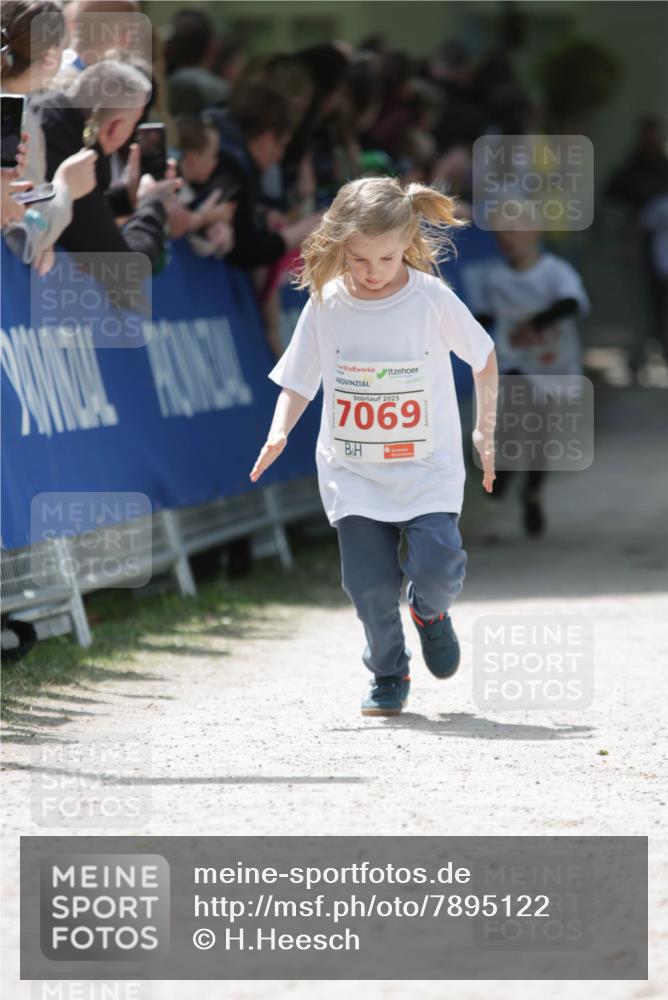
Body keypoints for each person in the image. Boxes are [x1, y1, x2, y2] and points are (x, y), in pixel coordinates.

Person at [249, 177, 498, 717]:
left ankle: (430, 613)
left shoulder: (430, 298)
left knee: (438, 567)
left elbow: (483, 357)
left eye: (386, 258)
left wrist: (485, 429)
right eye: (359, 259)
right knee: (367, 585)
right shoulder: (327, 302)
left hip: (426, 467)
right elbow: (298, 379)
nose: (373, 272)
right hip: (354, 470)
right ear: (338, 244)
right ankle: (389, 671)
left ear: (407, 243)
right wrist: (280, 429)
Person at [472, 206, 590, 537]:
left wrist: (535, 323)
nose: (506, 240)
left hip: (552, 362)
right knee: (514, 412)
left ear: (535, 231)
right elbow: (483, 317)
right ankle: (507, 471)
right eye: (500, 233)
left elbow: (573, 303)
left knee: (540, 430)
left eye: (513, 230)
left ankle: (532, 489)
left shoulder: (555, 272)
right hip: (514, 362)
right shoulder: (494, 277)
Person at [1, 0, 98, 273]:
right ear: (49, 57)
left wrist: (45, 232)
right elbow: (20, 222)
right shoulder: (16, 119)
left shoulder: (20, 109)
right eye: (62, 46)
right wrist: (66, 187)